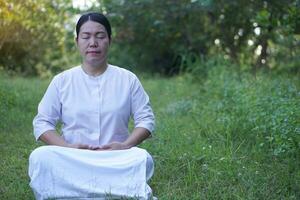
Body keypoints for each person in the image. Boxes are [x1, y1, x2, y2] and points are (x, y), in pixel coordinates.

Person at [28, 12, 155, 200]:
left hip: (114, 159)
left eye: (100, 36)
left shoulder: (127, 79)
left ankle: (71, 189)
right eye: (86, 36)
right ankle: (113, 188)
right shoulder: (62, 81)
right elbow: (42, 123)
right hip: (73, 157)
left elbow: (146, 120)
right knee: (39, 157)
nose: (93, 43)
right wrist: (67, 147)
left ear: (109, 40)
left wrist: (125, 146)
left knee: (143, 158)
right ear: (77, 41)